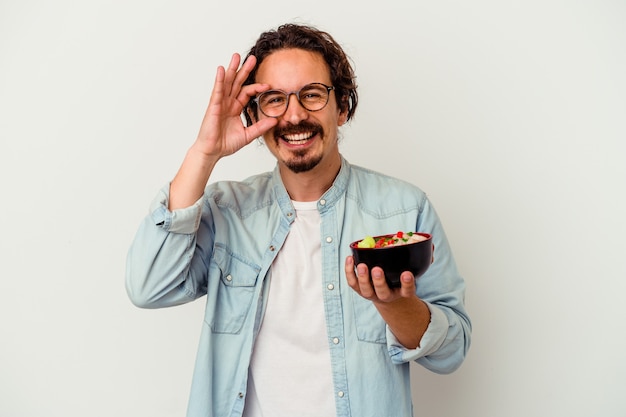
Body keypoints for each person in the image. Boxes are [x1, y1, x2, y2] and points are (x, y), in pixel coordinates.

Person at [126, 23, 471, 417]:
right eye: (274, 99)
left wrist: (393, 305)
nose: (294, 115)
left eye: (311, 95)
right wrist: (204, 153)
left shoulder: (405, 210)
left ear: (342, 107)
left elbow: (451, 353)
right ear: (254, 114)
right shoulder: (227, 211)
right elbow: (147, 286)